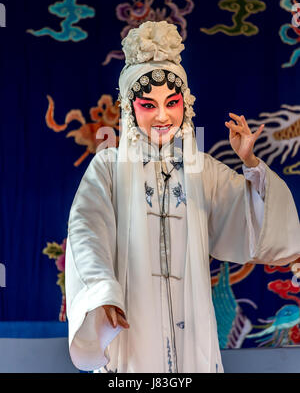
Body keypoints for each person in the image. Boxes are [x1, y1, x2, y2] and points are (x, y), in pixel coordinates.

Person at [65, 21, 300, 373]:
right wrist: (102, 290)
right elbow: (86, 229)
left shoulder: (200, 169)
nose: (163, 116)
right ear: (130, 109)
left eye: (172, 103)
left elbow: (253, 217)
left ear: (185, 105)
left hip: (191, 321)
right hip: (132, 314)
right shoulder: (109, 166)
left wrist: (250, 162)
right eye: (148, 105)